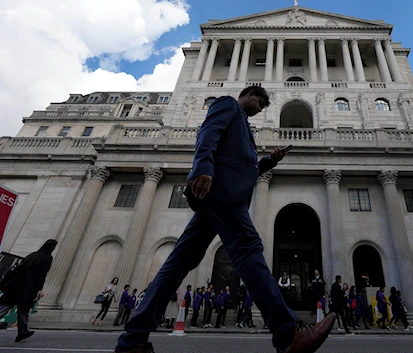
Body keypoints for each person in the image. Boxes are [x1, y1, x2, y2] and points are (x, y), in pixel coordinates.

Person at [114, 86, 335, 353]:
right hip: (222, 193)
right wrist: (203, 168)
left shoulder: (244, 127)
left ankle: (133, 339)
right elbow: (208, 133)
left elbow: (243, 166)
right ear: (250, 93)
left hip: (221, 195)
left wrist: (267, 162)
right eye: (260, 103)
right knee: (249, 250)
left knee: (179, 262)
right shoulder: (227, 104)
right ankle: (288, 333)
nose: (259, 109)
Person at [0, 239, 57, 342]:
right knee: (23, 310)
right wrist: (40, 289)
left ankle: (22, 332)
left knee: (6, 306)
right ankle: (22, 332)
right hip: (28, 287)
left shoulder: (32, 255)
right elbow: (42, 274)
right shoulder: (47, 258)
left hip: (16, 285)